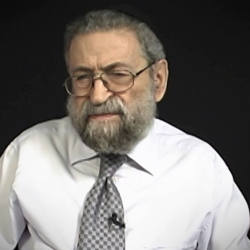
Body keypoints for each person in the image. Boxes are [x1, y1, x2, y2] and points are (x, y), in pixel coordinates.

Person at [0, 8, 249, 250]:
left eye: (118, 74)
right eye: (83, 77)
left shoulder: (202, 168)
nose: (97, 96)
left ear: (158, 80)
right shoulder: (26, 154)